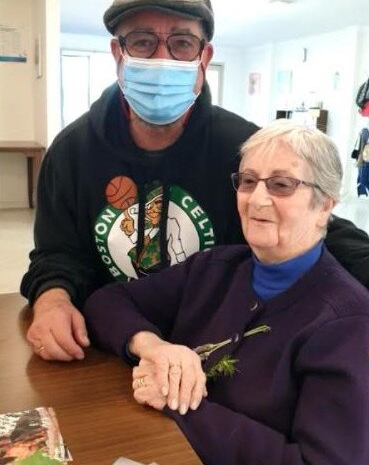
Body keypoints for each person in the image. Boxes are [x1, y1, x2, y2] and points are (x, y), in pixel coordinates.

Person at [21, 0, 369, 363]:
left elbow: (316, 229)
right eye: (142, 41)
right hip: (105, 343)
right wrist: (51, 299)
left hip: (217, 351)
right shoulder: (72, 152)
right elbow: (56, 255)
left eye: (182, 43)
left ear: (204, 57)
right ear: (118, 54)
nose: (162, 59)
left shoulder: (244, 148)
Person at [84, 121, 369, 465]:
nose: (257, 199)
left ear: (325, 204)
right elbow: (106, 302)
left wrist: (180, 402)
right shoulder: (213, 268)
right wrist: (156, 349)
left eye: (281, 185)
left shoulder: (348, 323)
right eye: (248, 181)